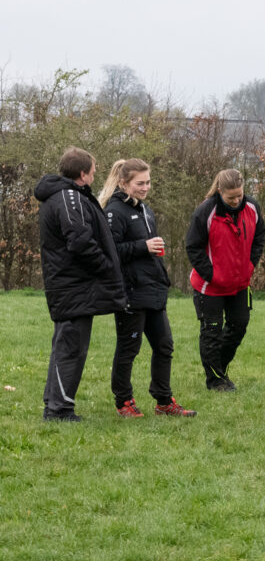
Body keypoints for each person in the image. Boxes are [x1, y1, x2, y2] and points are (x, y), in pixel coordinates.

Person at [98, 159, 195, 418]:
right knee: (129, 348)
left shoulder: (145, 209)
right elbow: (110, 253)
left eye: (148, 182)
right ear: (123, 183)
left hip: (153, 290)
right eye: (139, 183)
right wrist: (143, 246)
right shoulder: (113, 212)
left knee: (164, 346)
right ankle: (124, 401)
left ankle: (164, 401)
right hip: (130, 292)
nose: (145, 187)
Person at [35, 147, 126, 421]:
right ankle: (59, 409)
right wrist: (106, 265)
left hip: (71, 286)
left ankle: (56, 404)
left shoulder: (67, 196)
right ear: (83, 173)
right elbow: (79, 240)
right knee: (71, 347)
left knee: (67, 344)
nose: (96, 174)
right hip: (72, 286)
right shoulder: (68, 198)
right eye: (93, 170)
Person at [186, 169, 265, 391]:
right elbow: (193, 247)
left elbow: (259, 238)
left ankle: (218, 369)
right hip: (209, 287)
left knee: (239, 326)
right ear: (220, 191)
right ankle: (215, 380)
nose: (236, 200)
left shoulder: (252, 208)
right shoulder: (205, 212)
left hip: (240, 284)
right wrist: (212, 275)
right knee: (211, 332)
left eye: (239, 195)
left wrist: (250, 266)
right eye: (231, 197)